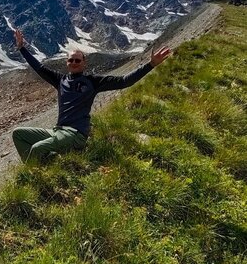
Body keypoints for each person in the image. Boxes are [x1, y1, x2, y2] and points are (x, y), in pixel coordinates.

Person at [12, 28, 171, 164]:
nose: (74, 62)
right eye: (71, 60)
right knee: (18, 134)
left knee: (37, 148)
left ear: (84, 63)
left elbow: (124, 81)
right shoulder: (60, 80)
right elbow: (39, 68)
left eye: (77, 60)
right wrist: (22, 48)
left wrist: (150, 65)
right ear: (67, 63)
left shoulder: (93, 82)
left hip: (75, 134)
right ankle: (48, 162)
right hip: (57, 131)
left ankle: (34, 176)